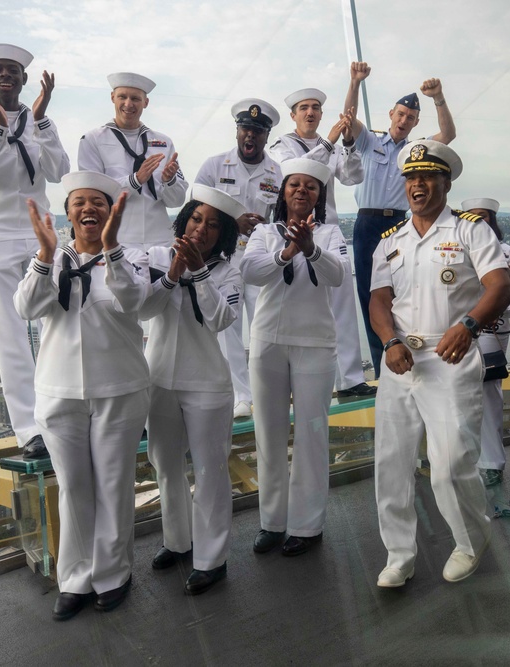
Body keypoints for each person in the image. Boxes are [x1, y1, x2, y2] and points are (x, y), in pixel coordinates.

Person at [369, 140, 510, 587]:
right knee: (391, 463)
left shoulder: (470, 230)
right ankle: (398, 554)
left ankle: (470, 541)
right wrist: (388, 341)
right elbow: (378, 300)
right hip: (401, 359)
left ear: (445, 182)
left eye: (427, 176)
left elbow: (499, 287)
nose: (418, 185)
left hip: (451, 356)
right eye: (411, 178)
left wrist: (468, 325)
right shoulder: (390, 240)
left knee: (450, 464)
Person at [14, 171, 150, 620]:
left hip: (120, 388)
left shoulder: (132, 259)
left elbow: (135, 302)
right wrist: (46, 253)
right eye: (80, 202)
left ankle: (113, 573)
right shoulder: (49, 260)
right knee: (73, 488)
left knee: (113, 485)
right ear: (67, 212)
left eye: (99, 202)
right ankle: (74, 578)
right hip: (59, 392)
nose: (89, 209)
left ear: (112, 212)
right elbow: (27, 308)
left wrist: (110, 251)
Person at [0, 43, 70, 459]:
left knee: (56, 323)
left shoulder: (40, 120)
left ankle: (60, 414)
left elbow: (58, 171)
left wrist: (39, 123)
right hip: (0, 233)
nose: (5, 76)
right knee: (10, 333)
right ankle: (28, 429)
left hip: (42, 232)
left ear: (24, 80)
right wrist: (0, 131)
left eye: (13, 71)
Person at [135, 185, 244, 595]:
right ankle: (177, 541)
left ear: (223, 234)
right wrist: (175, 271)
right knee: (164, 465)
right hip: (160, 378)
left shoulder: (229, 272)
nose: (201, 229)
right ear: (183, 221)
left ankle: (211, 559)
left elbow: (220, 320)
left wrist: (198, 273)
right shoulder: (157, 258)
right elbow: (143, 310)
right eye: (196, 219)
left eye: (213, 225)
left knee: (210, 471)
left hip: (207, 385)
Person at [239, 158, 346, 557]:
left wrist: (312, 249)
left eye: (311, 187)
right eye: (295, 185)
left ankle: (306, 525)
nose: (302, 191)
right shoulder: (265, 232)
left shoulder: (332, 233)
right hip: (267, 341)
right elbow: (251, 271)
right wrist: (287, 252)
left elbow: (338, 276)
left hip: (315, 342)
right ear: (283, 192)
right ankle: (272, 521)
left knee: (311, 434)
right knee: (267, 433)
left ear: (320, 196)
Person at [344, 62, 457, 377]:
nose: (404, 120)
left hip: (399, 224)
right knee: (370, 293)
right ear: (391, 116)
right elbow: (348, 119)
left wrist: (438, 98)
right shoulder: (370, 142)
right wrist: (355, 82)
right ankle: (382, 364)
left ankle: (410, 352)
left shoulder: (414, 152)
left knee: (403, 289)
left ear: (415, 121)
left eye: (410, 117)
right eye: (400, 115)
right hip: (367, 225)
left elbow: (448, 134)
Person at [270, 88, 375, 398]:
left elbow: (353, 177)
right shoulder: (282, 144)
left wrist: (348, 144)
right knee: (294, 301)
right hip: (290, 230)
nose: (310, 112)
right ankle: (292, 378)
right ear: (293, 115)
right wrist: (329, 142)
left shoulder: (333, 145)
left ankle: (350, 379)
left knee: (342, 302)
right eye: (304, 108)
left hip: (327, 228)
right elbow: (293, 171)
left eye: (315, 107)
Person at [194, 98, 284, 419]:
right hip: (224, 259)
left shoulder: (278, 173)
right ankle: (239, 398)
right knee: (227, 330)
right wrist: (233, 223)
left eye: (258, 131)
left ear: (266, 136)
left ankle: (266, 392)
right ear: (237, 131)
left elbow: (281, 220)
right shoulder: (214, 166)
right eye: (246, 128)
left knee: (264, 327)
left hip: (260, 259)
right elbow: (195, 213)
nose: (251, 136)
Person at [78, 72, 187, 251]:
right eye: (122, 97)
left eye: (135, 98)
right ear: (113, 97)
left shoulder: (164, 143)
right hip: (118, 239)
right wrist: (135, 180)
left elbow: (176, 201)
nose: (128, 104)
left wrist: (170, 181)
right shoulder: (93, 140)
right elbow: (94, 196)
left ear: (146, 102)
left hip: (160, 240)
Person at [461, 197, 510, 488]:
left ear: (492, 220)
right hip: (456, 331)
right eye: (471, 216)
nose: (478, 222)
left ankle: (492, 462)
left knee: (488, 393)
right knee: (458, 393)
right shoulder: (457, 249)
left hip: (491, 332)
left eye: (483, 216)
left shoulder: (507, 252)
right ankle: (465, 459)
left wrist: (484, 310)